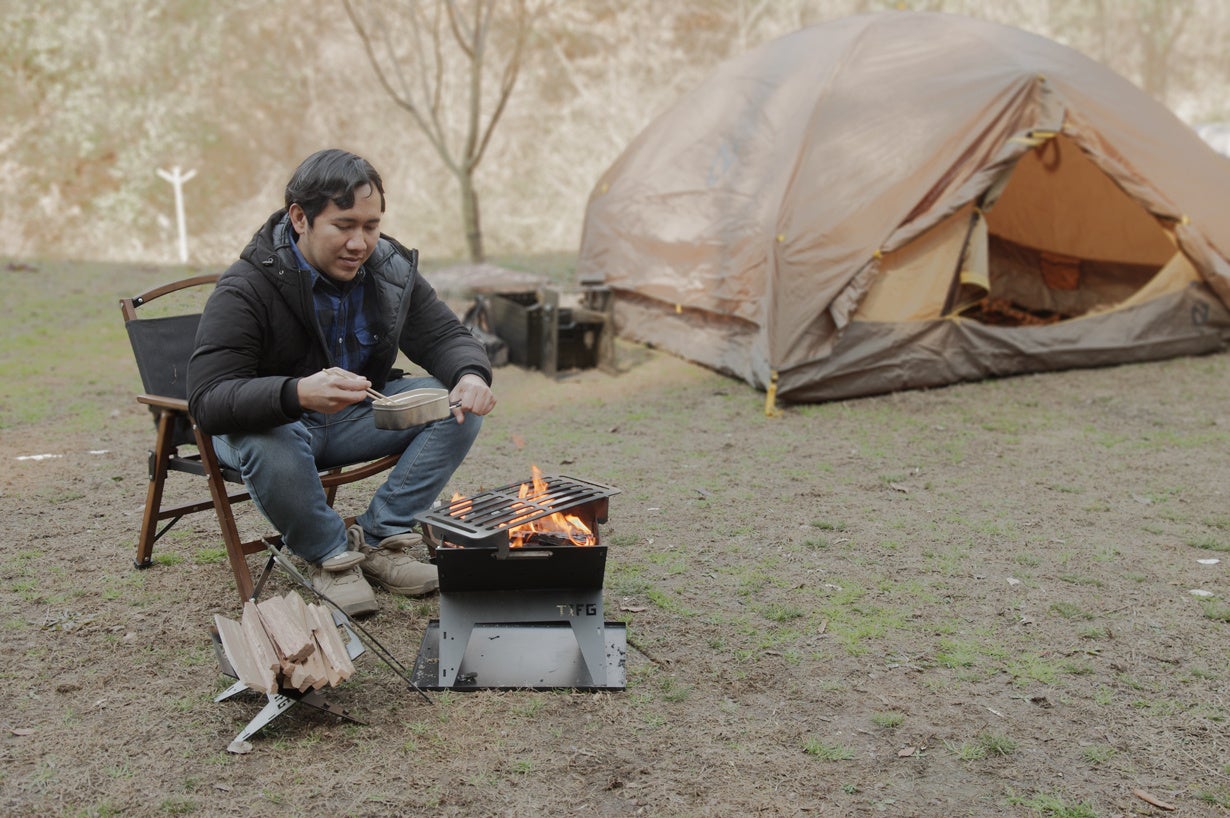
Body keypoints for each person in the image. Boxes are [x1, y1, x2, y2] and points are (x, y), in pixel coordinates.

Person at [188, 149, 496, 615]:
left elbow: (444, 336)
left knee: (451, 404)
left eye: (370, 226)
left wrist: (471, 374)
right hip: (270, 431)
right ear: (299, 218)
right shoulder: (246, 287)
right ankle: (331, 558)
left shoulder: (389, 271)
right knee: (271, 434)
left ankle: (378, 540)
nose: (360, 243)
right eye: (344, 225)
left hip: (354, 418)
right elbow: (208, 400)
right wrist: (295, 393)